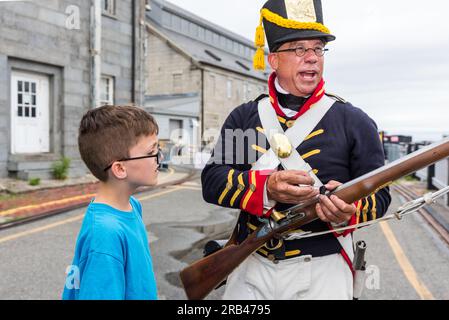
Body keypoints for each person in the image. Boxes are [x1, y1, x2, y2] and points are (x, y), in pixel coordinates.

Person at [201, 0, 391, 300]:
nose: (312, 58)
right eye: (300, 49)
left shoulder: (355, 120)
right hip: (250, 263)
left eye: (318, 49)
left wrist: (348, 211)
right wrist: (266, 188)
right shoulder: (244, 116)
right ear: (274, 59)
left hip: (323, 269)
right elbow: (212, 183)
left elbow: (380, 196)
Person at [62, 105, 161, 300]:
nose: (159, 158)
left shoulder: (132, 205)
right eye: (152, 152)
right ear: (120, 169)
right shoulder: (105, 234)